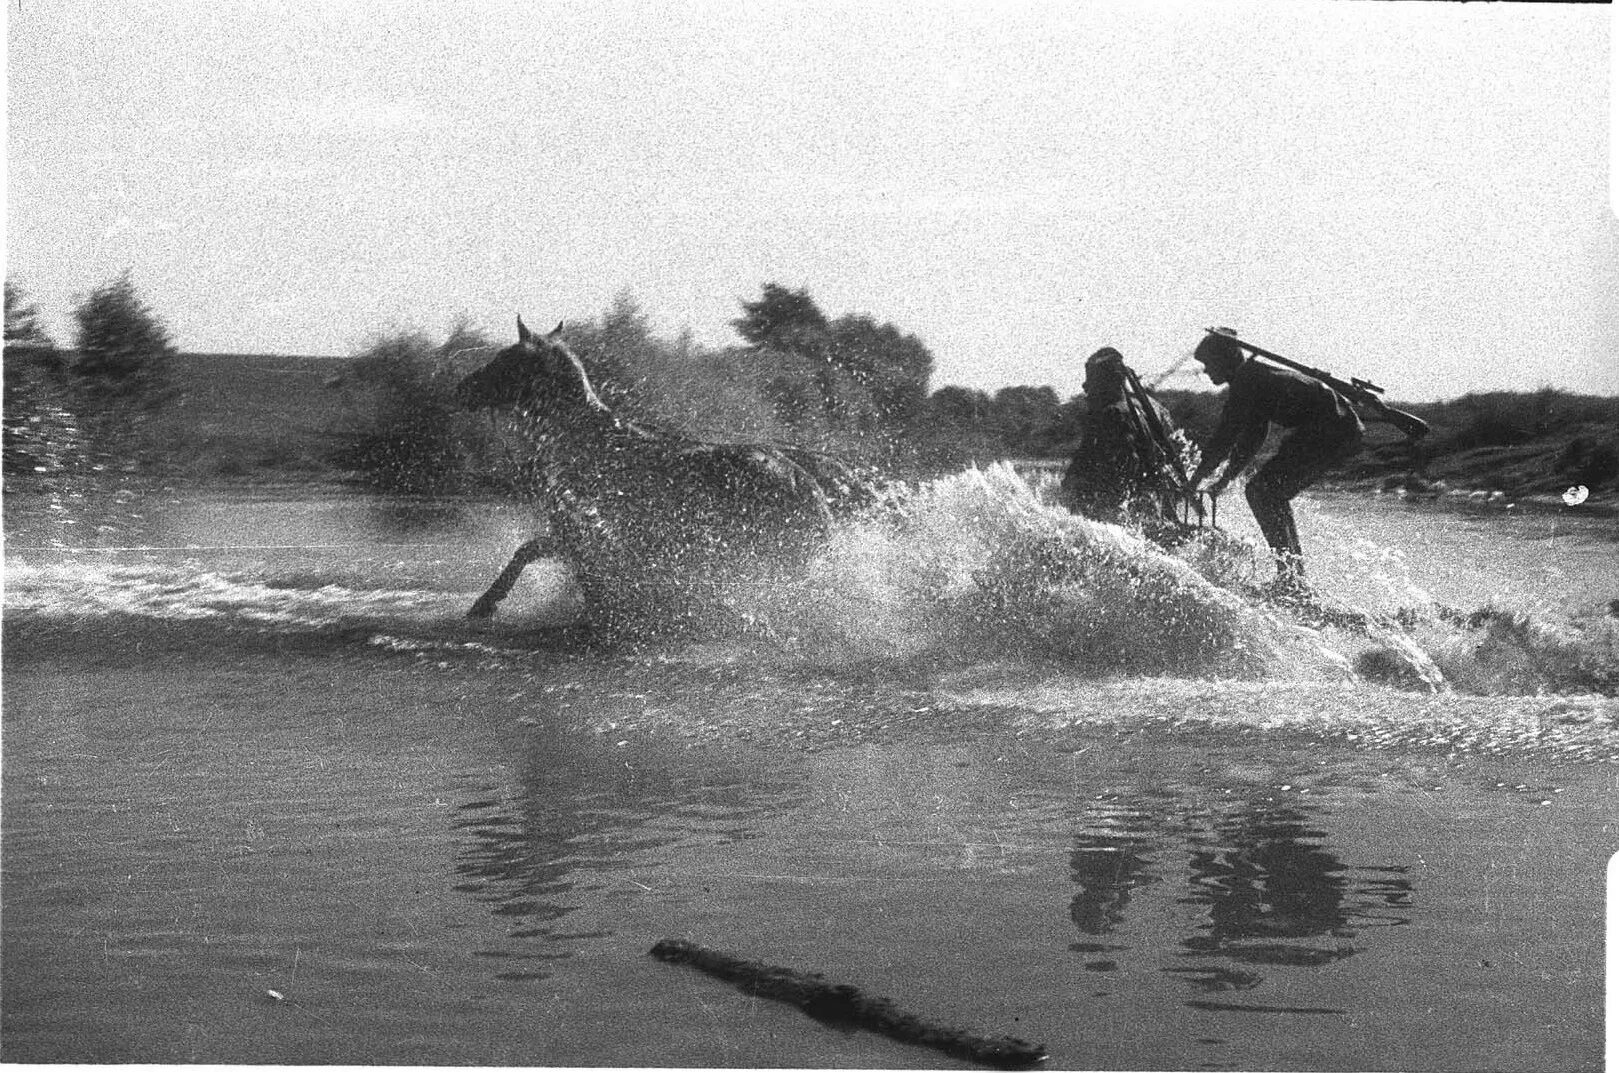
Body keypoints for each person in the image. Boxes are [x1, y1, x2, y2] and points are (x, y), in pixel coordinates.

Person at [1188, 329, 1364, 598]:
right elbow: (1252, 437)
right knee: (1268, 492)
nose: (1207, 371)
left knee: (1262, 492)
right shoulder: (1251, 378)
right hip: (1334, 427)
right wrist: (1224, 479)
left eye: (1210, 364)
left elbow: (1225, 438)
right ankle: (1294, 577)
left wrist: (1193, 481)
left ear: (1227, 360)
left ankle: (1292, 580)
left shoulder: (1247, 382)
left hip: (1331, 428)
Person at [1060, 346, 1192, 542]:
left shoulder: (1110, 414)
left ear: (1107, 382)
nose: (1085, 386)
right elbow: (1177, 451)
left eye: (1091, 379)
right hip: (1161, 500)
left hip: (1128, 512)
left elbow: (1099, 468)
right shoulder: (1155, 408)